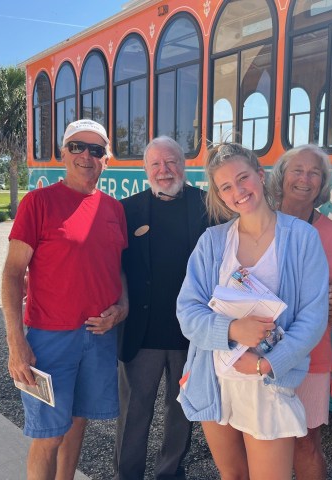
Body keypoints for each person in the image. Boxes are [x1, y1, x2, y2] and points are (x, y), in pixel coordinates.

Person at [176, 142, 329, 480]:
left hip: (266, 385)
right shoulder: (212, 242)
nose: (238, 191)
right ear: (220, 195)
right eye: (226, 187)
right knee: (232, 476)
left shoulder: (302, 238)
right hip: (214, 380)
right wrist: (233, 329)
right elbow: (187, 311)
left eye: (243, 178)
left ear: (260, 176)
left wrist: (266, 363)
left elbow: (313, 318)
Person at [2, 119, 128, 480]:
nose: (86, 156)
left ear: (107, 159)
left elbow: (116, 268)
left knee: (76, 425)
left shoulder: (113, 209)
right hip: (49, 339)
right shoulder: (37, 203)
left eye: (96, 149)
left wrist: (123, 308)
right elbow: (12, 274)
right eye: (77, 147)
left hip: (99, 338)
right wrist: (16, 342)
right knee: (49, 434)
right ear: (63, 152)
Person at [112, 136, 208, 480]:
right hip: (142, 333)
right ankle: (128, 474)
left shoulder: (207, 204)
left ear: (183, 165)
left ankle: (170, 472)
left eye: (171, 162)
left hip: (192, 335)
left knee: (182, 411)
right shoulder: (127, 209)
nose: (164, 170)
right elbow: (113, 265)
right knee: (134, 412)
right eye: (156, 164)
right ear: (145, 169)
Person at [269, 144, 332, 480]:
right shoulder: (259, 221)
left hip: (312, 356)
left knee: (306, 442)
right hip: (258, 353)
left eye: (314, 172)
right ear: (282, 177)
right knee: (261, 438)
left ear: (322, 183)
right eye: (297, 170)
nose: (305, 179)